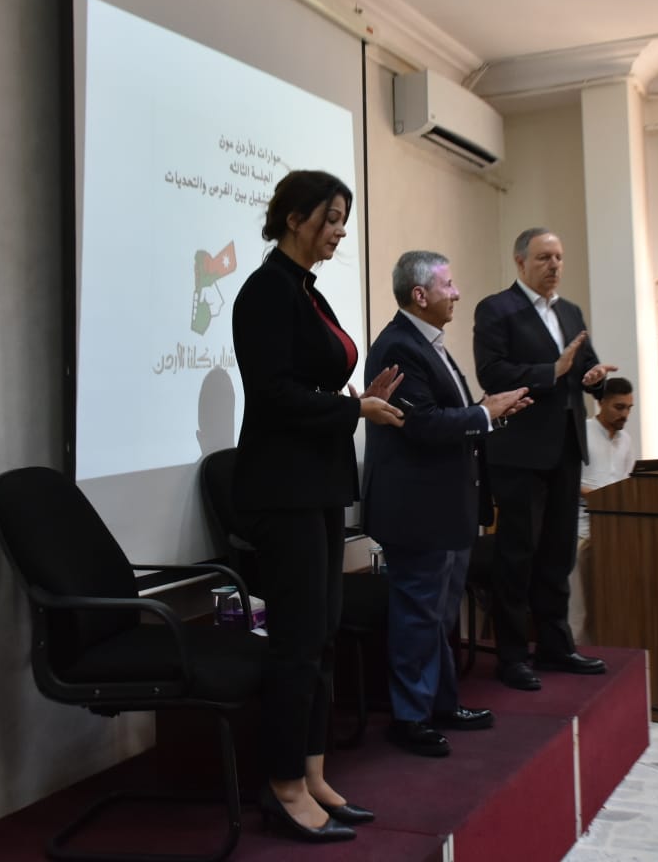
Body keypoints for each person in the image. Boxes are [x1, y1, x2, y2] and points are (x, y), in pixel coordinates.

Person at [232, 170, 404, 843]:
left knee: (322, 634)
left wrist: (361, 398)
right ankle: (281, 787)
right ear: (295, 217)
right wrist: (353, 410)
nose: (339, 232)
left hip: (319, 483)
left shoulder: (306, 290)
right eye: (331, 219)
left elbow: (313, 384)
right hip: (283, 491)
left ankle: (312, 773)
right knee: (297, 641)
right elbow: (273, 395)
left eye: (343, 221)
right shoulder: (265, 291)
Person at [361, 251, 532, 756]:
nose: (456, 293)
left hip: (447, 507)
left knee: (438, 616)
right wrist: (484, 413)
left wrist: (493, 413)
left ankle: (440, 704)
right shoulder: (398, 346)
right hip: (418, 511)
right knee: (418, 616)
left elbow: (450, 416)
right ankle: (410, 718)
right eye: (448, 285)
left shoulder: (428, 341)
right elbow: (420, 424)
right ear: (420, 295)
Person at [473, 227, 616, 691]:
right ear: (520, 262)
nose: (554, 265)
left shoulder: (570, 312)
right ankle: (513, 656)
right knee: (517, 556)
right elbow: (492, 373)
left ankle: (556, 646)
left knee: (558, 554)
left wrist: (595, 378)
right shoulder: (496, 309)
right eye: (543, 258)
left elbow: (587, 369)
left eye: (558, 257)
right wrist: (550, 372)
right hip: (519, 452)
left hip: (566, 449)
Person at [570, 377, 636, 645]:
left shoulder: (626, 440)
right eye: (619, 407)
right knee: (577, 606)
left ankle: (611, 650)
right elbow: (567, 481)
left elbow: (626, 480)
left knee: (612, 600)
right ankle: (575, 651)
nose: (625, 414)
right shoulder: (582, 432)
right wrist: (598, 497)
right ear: (602, 403)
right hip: (580, 528)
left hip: (614, 530)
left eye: (629, 408)